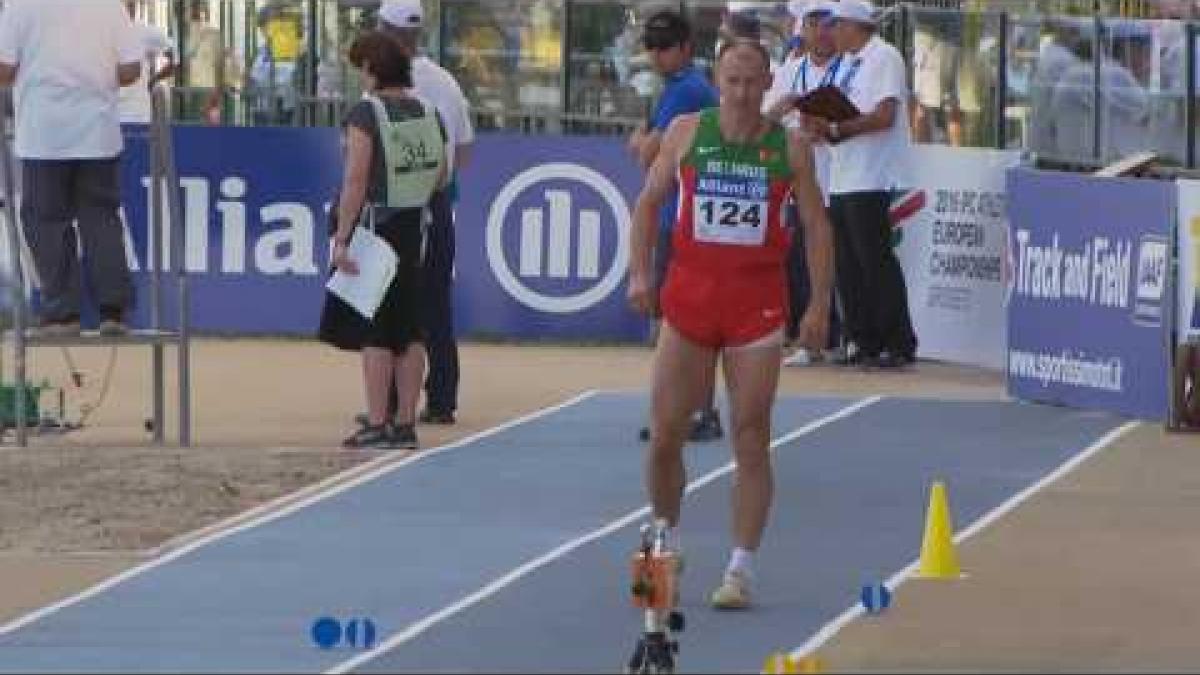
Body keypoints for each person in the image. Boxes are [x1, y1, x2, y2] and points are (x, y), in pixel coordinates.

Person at [627, 38, 834, 610]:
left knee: (750, 433)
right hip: (689, 301)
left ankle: (740, 569)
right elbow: (648, 204)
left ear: (768, 83)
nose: (742, 93)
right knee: (666, 432)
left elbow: (817, 227)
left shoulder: (789, 148)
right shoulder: (688, 131)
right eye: (732, 81)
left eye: (752, 81)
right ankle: (663, 541)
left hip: (756, 307)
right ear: (718, 81)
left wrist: (818, 305)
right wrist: (638, 275)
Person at [318, 30, 447, 450]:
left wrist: (341, 238)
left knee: (375, 329)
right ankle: (406, 423)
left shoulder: (366, 114)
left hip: (376, 227)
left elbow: (355, 181)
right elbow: (443, 176)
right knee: (409, 329)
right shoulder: (429, 111)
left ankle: (377, 421)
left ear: (371, 69)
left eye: (361, 68)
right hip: (416, 226)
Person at [0, 0, 142, 336]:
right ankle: (113, 312)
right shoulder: (110, 6)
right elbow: (132, 69)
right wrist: (93, 74)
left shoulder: (21, 6)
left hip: (44, 133)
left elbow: (4, 69)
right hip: (98, 131)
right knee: (101, 219)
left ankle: (62, 314)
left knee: (46, 222)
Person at [627, 9, 724, 443]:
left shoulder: (686, 90)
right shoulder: (681, 87)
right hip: (681, 213)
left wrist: (642, 141)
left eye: (665, 47)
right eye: (652, 47)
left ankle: (695, 410)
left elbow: (648, 152)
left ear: (686, 47)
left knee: (682, 324)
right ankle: (693, 409)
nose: (657, 55)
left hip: (682, 216)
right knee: (681, 322)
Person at [378, 0, 474, 427]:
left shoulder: (387, 83)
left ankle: (395, 404)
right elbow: (466, 150)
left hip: (398, 201)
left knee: (395, 305)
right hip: (437, 200)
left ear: (386, 28)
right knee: (435, 304)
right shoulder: (446, 82)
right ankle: (441, 399)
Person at [807, 0, 917, 369]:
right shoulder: (846, 63)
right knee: (849, 264)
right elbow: (839, 110)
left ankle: (897, 341)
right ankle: (863, 339)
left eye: (834, 25)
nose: (829, 33)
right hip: (843, 174)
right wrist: (821, 126)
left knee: (875, 260)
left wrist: (838, 128)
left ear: (853, 25)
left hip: (871, 174)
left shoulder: (884, 57)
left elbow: (885, 115)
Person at [764, 0, 842, 367]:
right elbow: (763, 121)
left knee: (836, 263)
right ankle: (805, 338)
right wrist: (785, 116)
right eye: (815, 23)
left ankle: (837, 338)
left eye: (830, 24)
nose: (823, 31)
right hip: (799, 182)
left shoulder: (851, 68)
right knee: (798, 262)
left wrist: (826, 129)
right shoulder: (789, 72)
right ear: (803, 28)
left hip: (841, 178)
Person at [118, 0, 176, 127]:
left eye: (132, 4)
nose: (129, 7)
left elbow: (176, 59)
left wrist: (154, 80)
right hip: (109, 117)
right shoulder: (102, 33)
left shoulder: (146, 32)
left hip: (137, 116)